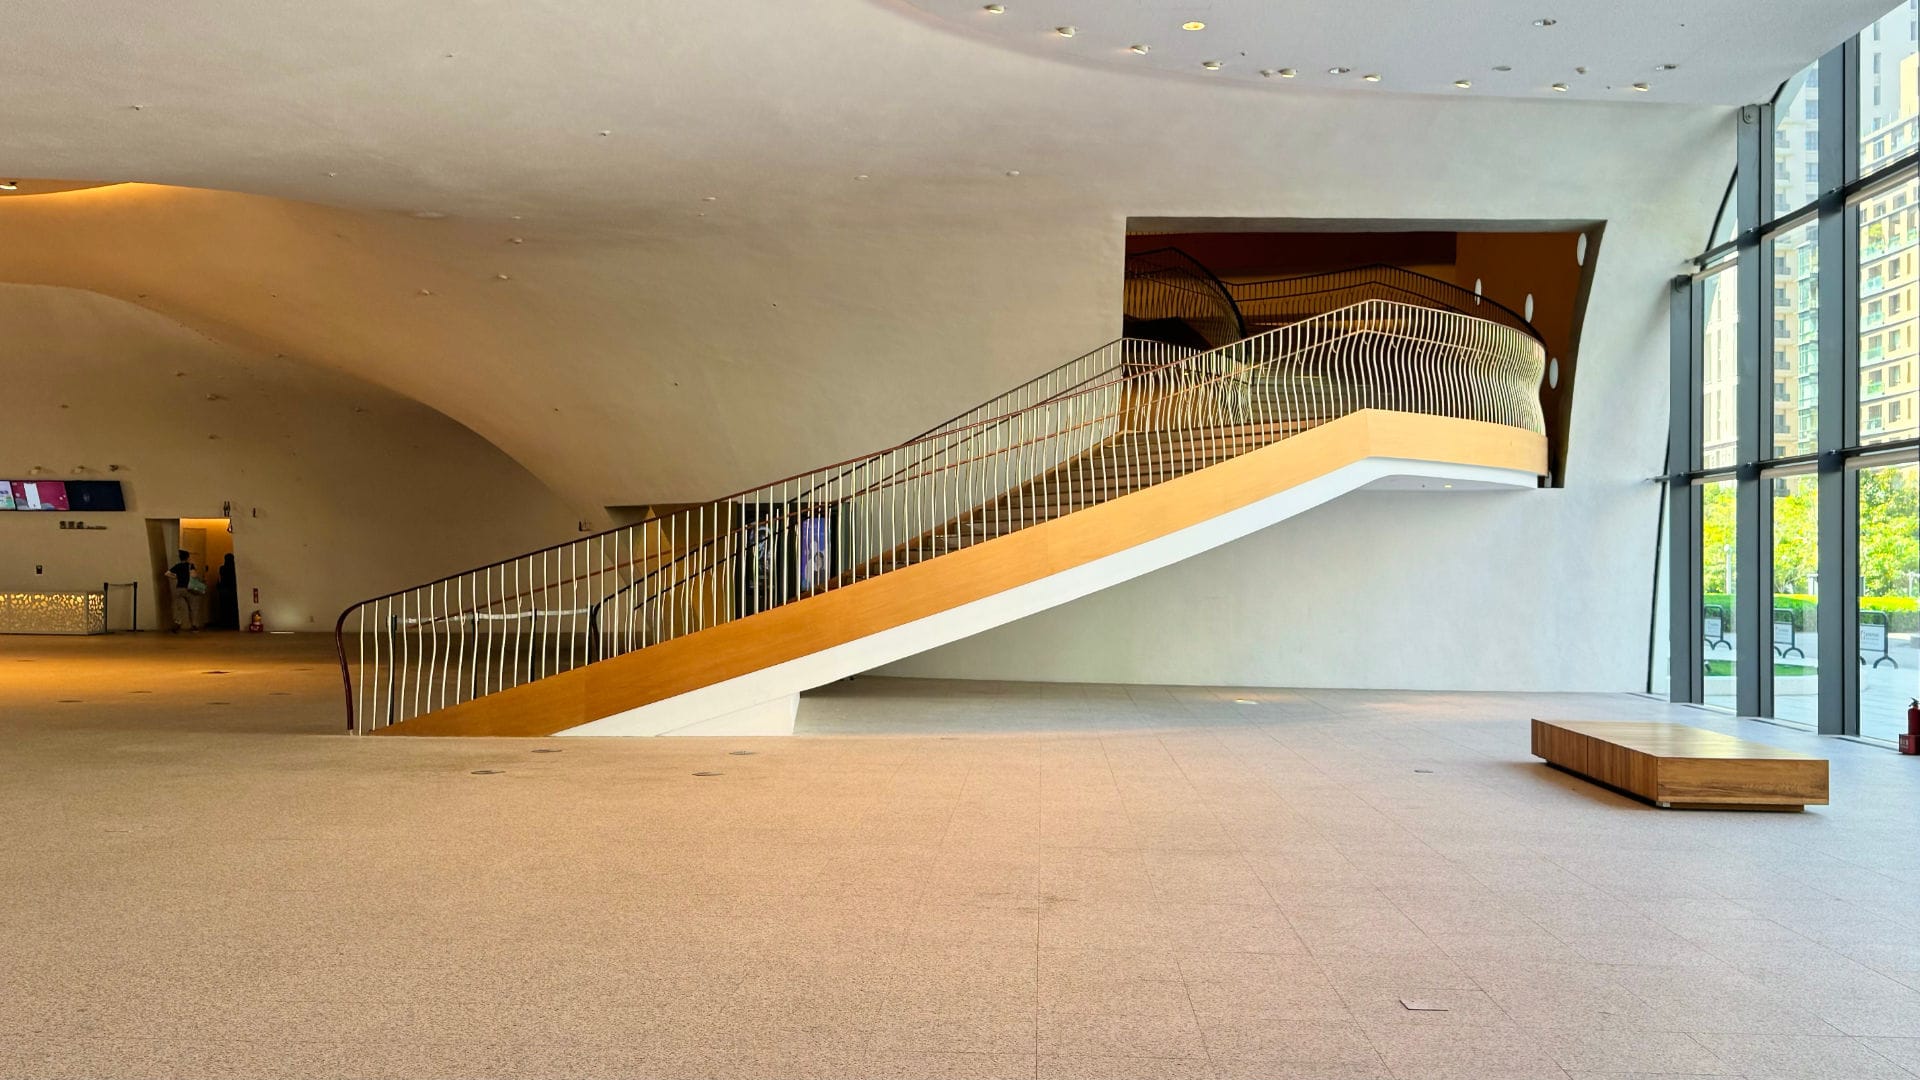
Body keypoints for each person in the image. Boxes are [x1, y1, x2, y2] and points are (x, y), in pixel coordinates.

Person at [168, 550, 197, 632]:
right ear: (188, 557)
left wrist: (176, 577)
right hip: (189, 588)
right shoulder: (190, 566)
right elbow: (194, 575)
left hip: (179, 588)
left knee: (178, 607)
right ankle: (193, 625)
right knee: (191, 607)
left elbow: (167, 573)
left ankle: (178, 623)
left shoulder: (177, 566)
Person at [216, 553, 239, 630]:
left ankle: (224, 623)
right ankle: (233, 623)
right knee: (233, 607)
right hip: (233, 590)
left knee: (224, 608)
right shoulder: (235, 568)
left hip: (224, 590)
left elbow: (219, 579)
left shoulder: (222, 568)